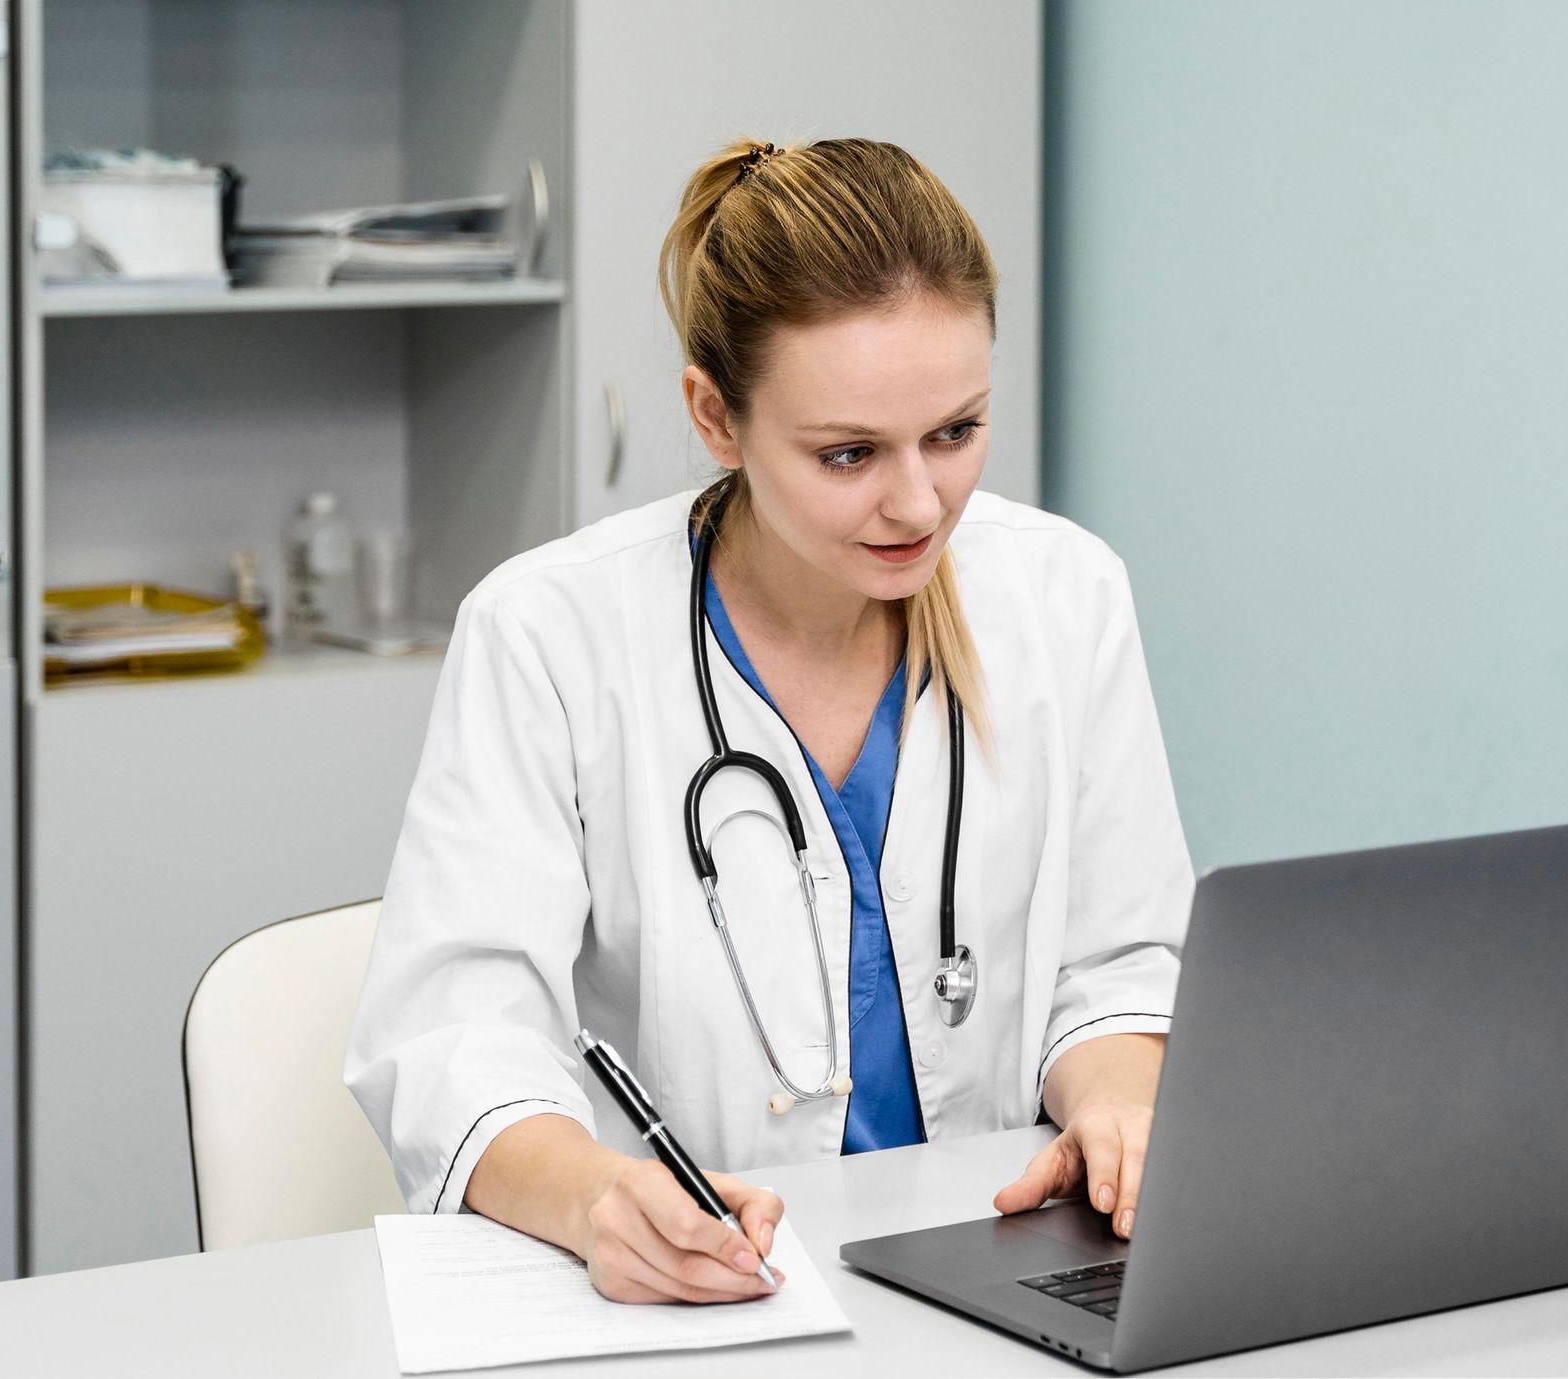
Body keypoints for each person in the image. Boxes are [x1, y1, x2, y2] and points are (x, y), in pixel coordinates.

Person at [344, 136, 1194, 1306]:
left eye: (955, 432)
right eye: (848, 453)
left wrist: (1115, 1103)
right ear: (715, 415)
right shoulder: (550, 632)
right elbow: (453, 1037)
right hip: (702, 1304)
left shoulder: (1064, 594)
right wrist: (600, 1198)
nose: (918, 501)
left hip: (1000, 1283)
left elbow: (1115, 966)